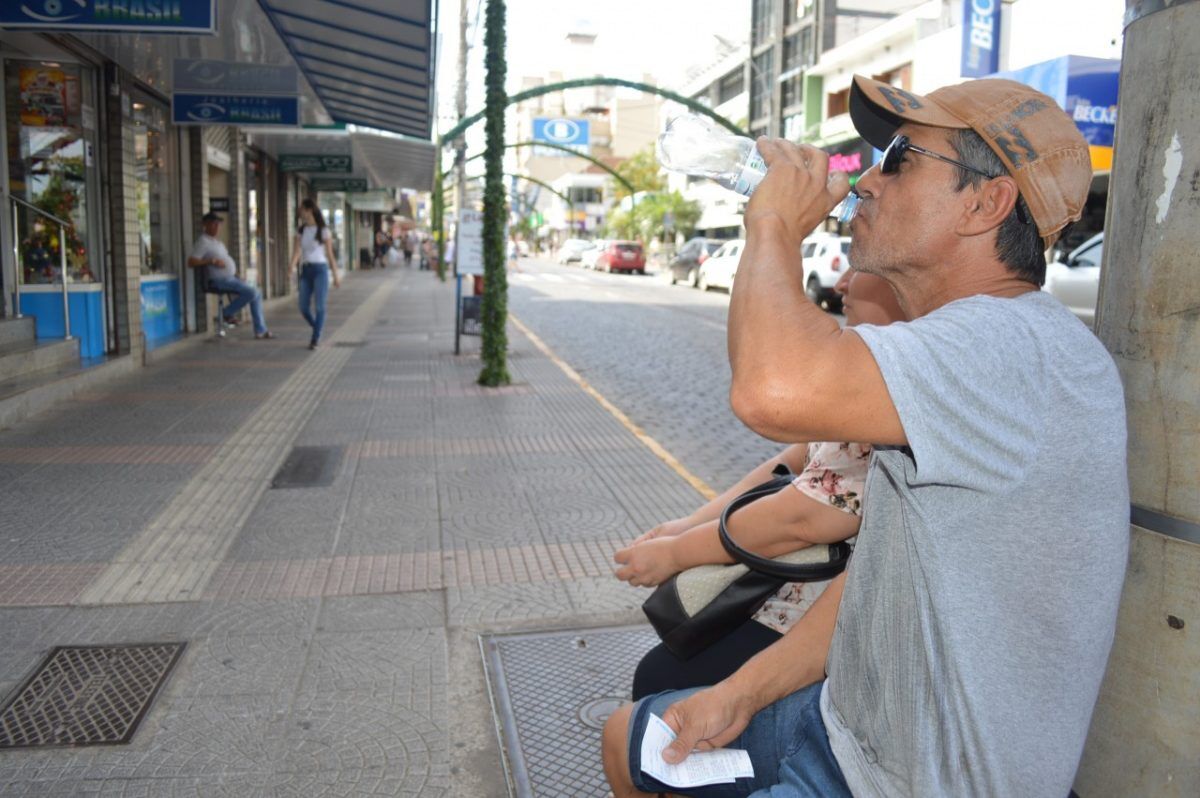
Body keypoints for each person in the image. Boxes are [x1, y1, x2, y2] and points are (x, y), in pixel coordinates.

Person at [603, 75, 1129, 798]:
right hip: (849, 728)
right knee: (630, 738)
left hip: (925, 780)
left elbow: (771, 390)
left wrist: (774, 227)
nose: (869, 180)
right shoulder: (956, 348)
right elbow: (871, 582)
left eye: (901, 158)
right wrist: (744, 693)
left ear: (985, 202)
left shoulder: (1009, 348)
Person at [615, 269, 905, 700]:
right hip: (788, 596)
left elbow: (802, 518)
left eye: (860, 269)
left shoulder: (898, 383)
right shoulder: (873, 373)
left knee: (660, 682)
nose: (840, 282)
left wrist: (677, 551)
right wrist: (686, 524)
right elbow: (791, 461)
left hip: (829, 623)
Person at [187, 211, 274, 339]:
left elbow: (226, 259)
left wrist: (236, 274)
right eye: (213, 224)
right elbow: (191, 261)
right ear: (205, 225)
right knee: (251, 292)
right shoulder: (203, 242)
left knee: (257, 292)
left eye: (218, 224)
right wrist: (212, 261)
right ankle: (225, 314)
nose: (217, 227)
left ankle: (260, 330)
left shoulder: (217, 242)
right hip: (218, 280)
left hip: (231, 278)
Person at [289, 198, 341, 350]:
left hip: (320, 270)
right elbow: (297, 251)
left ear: (309, 210)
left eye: (302, 209)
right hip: (306, 270)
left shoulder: (323, 230)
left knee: (319, 306)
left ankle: (315, 338)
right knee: (303, 306)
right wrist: (291, 267)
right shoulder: (300, 230)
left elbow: (330, 255)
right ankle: (317, 327)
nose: (300, 212)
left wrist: (336, 276)